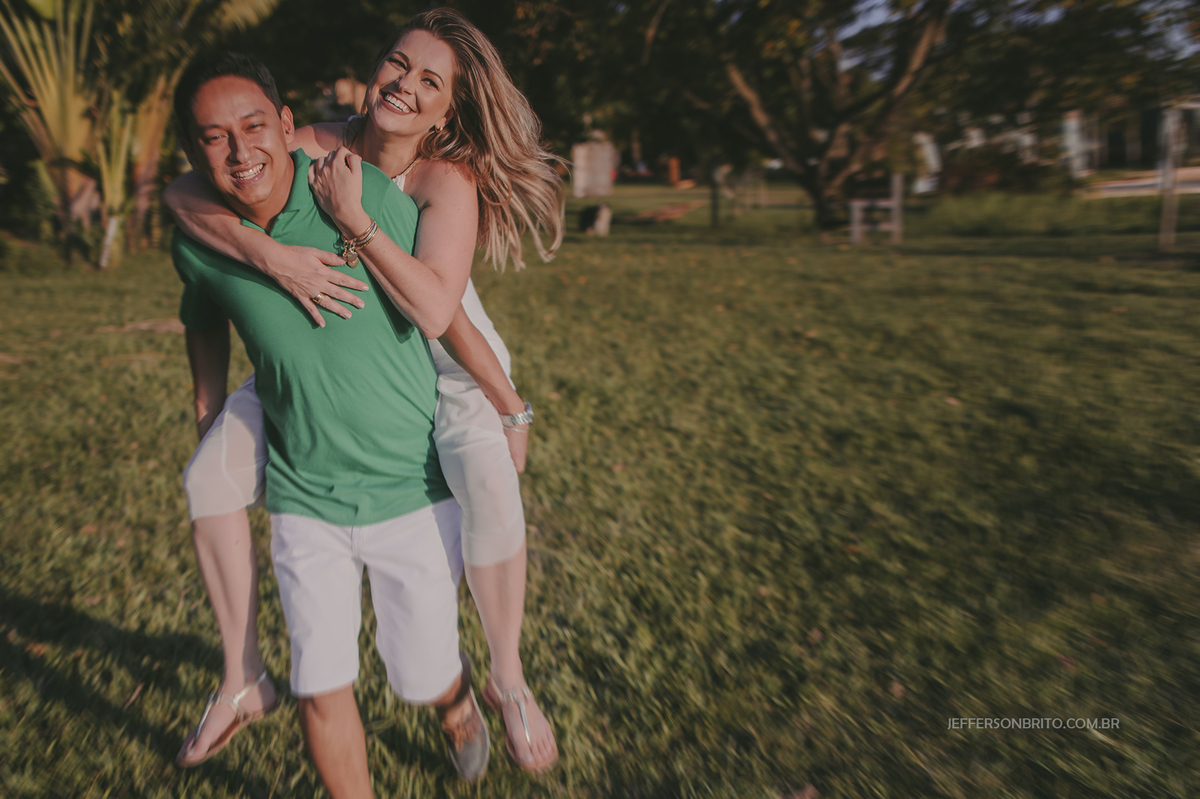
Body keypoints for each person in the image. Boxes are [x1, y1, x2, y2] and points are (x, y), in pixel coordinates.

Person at [166, 9, 563, 773]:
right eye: (398, 63)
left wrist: (510, 403)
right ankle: (242, 676)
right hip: (335, 350)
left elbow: (442, 316)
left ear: (448, 110)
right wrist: (271, 257)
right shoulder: (320, 142)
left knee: (489, 480)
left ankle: (505, 680)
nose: (404, 85)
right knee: (207, 477)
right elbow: (187, 191)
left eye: (430, 81)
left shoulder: (444, 181)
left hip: (446, 346)